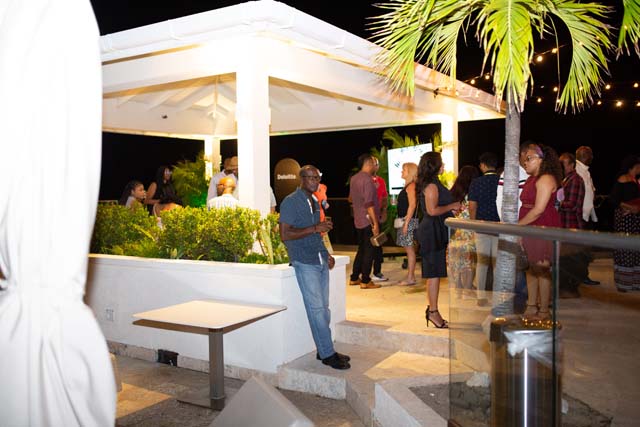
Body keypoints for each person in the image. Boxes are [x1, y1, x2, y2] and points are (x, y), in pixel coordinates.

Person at [279, 165, 351, 370]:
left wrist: (326, 254)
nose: (314, 181)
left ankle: (323, 349)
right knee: (317, 310)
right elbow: (285, 234)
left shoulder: (314, 201)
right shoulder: (290, 202)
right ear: (301, 179)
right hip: (304, 261)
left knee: (324, 309)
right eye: (310, 177)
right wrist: (315, 227)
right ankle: (328, 354)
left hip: (319, 259)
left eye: (317, 178)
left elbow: (316, 235)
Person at [416, 152, 461, 328]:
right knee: (433, 274)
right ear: (434, 166)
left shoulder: (433, 183)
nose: (444, 166)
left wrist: (450, 209)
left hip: (435, 231)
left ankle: (433, 310)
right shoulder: (431, 186)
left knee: (434, 273)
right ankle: (433, 312)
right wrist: (452, 205)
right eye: (441, 163)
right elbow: (432, 210)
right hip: (431, 232)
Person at [518, 143, 562, 320]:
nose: (525, 162)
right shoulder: (532, 179)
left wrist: (517, 226)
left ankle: (543, 310)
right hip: (530, 225)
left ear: (542, 159)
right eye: (524, 159)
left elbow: (538, 210)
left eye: (529, 158)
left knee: (542, 267)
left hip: (541, 225)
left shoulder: (546, 179)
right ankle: (531, 305)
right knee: (531, 267)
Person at [496, 142, 531, 313]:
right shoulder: (515, 173)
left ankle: (520, 303)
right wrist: (513, 226)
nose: (530, 159)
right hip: (516, 227)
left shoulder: (522, 173)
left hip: (517, 227)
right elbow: (503, 202)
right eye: (529, 156)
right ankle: (517, 305)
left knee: (519, 267)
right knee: (517, 268)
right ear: (522, 154)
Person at [468, 152, 500, 305]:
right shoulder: (501, 181)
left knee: (482, 262)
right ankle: (497, 298)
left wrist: (473, 224)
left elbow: (472, 206)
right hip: (500, 226)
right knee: (497, 263)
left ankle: (481, 296)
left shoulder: (476, 182)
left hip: (481, 226)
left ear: (482, 165)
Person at [348, 154, 382, 289]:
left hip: (358, 220)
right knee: (369, 251)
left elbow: (351, 198)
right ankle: (366, 280)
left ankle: (354, 277)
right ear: (368, 164)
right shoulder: (367, 180)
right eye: (374, 163)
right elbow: (369, 204)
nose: (375, 166)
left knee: (361, 249)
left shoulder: (354, 178)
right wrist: (375, 223)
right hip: (368, 220)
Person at [447, 165, 480, 298]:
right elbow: (473, 210)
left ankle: (458, 289)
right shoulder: (473, 192)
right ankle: (467, 289)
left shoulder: (454, 192)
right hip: (469, 229)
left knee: (457, 260)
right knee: (469, 261)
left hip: (455, 230)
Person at [558, 153, 588, 299]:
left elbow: (572, 205)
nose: (561, 166)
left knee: (571, 260)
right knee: (567, 259)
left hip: (572, 225)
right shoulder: (566, 179)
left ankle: (570, 290)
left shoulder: (575, 180)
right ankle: (567, 289)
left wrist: (556, 204)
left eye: (563, 164)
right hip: (566, 224)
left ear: (571, 165)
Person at [609, 155, 640, 292]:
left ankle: (635, 282)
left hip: (635, 219)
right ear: (633, 166)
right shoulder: (623, 179)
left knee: (635, 249)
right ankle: (624, 283)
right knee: (625, 248)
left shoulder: (636, 180)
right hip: (625, 219)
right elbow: (614, 199)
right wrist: (629, 207)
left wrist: (636, 208)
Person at [575, 146, 601, 285]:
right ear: (585, 155)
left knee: (584, 249)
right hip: (581, 216)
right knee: (580, 249)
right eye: (590, 154)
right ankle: (580, 276)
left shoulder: (585, 171)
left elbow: (591, 191)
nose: (592, 157)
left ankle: (582, 275)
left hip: (587, 214)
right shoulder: (577, 170)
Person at [394, 162, 420, 286]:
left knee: (410, 251)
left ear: (410, 172)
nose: (401, 172)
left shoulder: (411, 186)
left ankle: (410, 277)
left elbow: (412, 205)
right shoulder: (409, 186)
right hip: (406, 221)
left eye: (404, 170)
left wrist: (406, 223)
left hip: (408, 221)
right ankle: (410, 276)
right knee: (409, 250)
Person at [371, 156, 389, 282]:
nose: (373, 166)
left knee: (378, 245)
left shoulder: (381, 181)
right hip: (366, 218)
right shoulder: (362, 180)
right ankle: (359, 274)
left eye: (375, 163)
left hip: (377, 217)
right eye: (371, 163)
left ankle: (377, 272)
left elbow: (384, 198)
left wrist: (384, 211)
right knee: (365, 247)